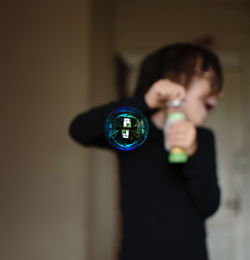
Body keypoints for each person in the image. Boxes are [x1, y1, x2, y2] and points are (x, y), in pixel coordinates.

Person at [68, 42, 224, 260]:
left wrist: (194, 154)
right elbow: (80, 130)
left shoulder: (203, 138)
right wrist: (145, 102)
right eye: (210, 78)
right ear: (173, 76)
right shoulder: (135, 130)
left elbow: (208, 205)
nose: (219, 92)